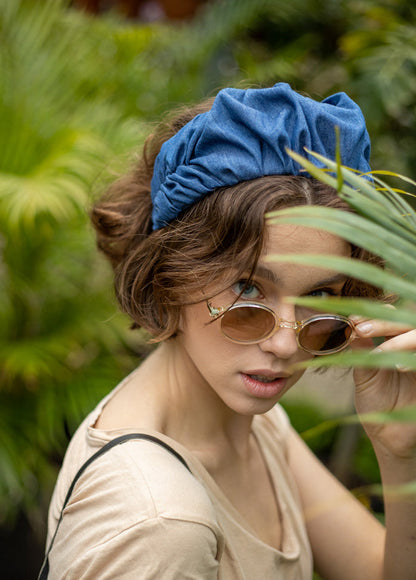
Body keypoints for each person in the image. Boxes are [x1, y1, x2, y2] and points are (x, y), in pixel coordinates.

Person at [42, 83, 416, 579]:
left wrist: (398, 453)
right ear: (172, 275)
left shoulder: (247, 423)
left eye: (321, 297)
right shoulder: (160, 523)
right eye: (248, 288)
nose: (284, 343)